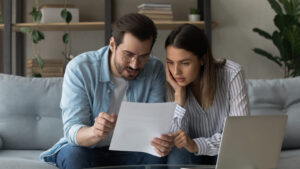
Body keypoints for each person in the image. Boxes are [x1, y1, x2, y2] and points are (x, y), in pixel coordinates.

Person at [40, 13, 173, 169]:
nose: (135, 65)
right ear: (112, 45)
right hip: (87, 149)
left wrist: (161, 140)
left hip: (130, 151)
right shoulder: (80, 69)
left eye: (143, 56)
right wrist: (95, 132)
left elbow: (154, 126)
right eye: (128, 55)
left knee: (157, 157)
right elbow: (72, 131)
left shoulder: (154, 68)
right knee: (74, 156)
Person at [165, 24, 250, 165]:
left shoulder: (232, 74)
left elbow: (238, 135)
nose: (176, 72)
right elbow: (175, 140)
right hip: (189, 155)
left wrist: (196, 145)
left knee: (237, 156)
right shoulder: (169, 82)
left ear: (203, 59)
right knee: (177, 154)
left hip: (225, 151)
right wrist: (179, 100)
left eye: (185, 63)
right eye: (170, 63)